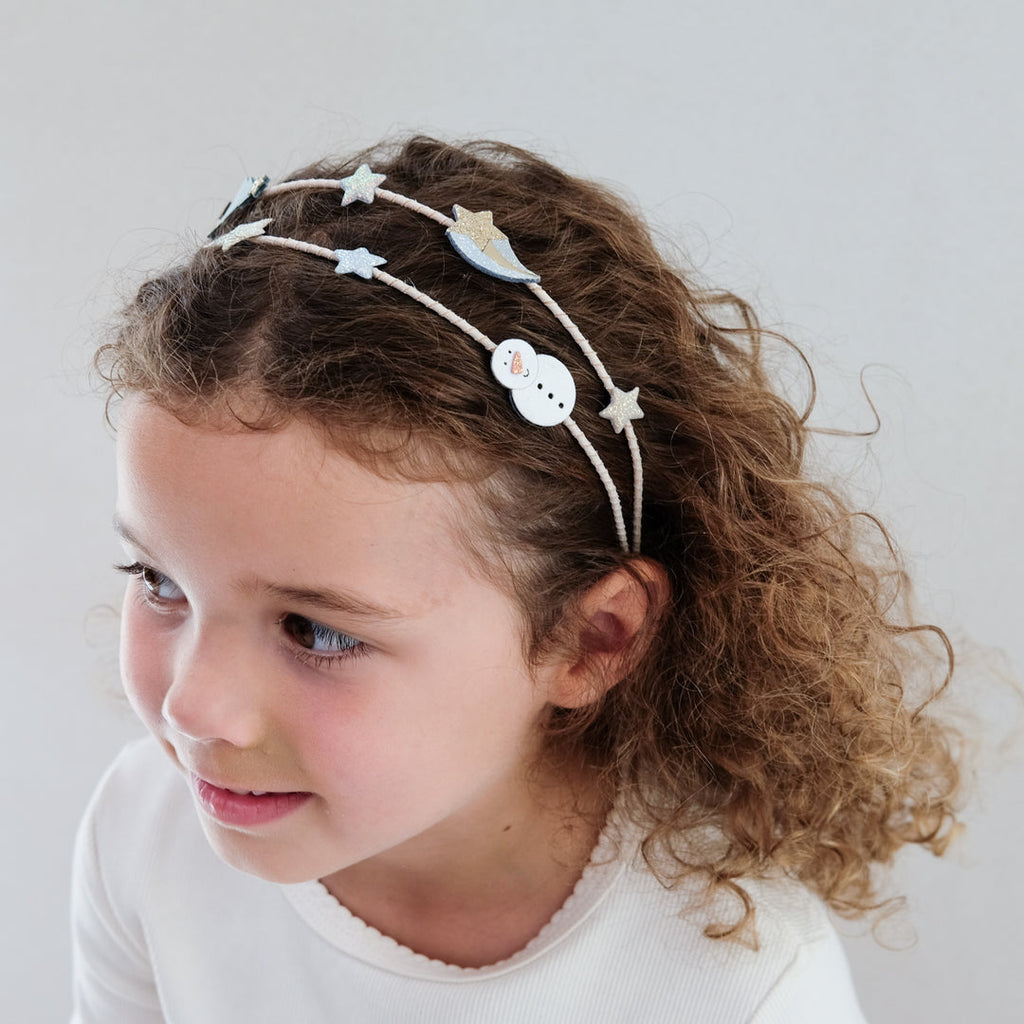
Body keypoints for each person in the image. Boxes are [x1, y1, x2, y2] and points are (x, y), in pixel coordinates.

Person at [71, 136, 962, 1022]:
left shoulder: (736, 986)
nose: (192, 708)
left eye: (319, 631)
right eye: (159, 581)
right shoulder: (146, 835)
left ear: (590, 639)